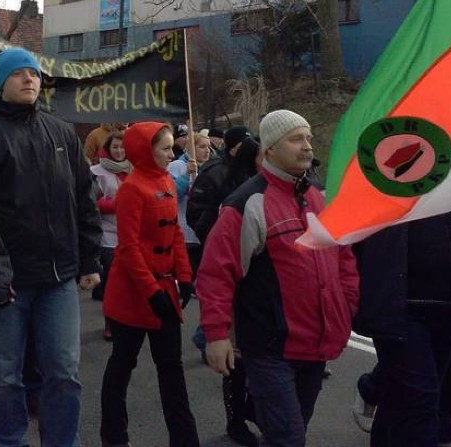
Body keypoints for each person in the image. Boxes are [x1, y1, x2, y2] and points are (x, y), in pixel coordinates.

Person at [0, 46, 102, 447]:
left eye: (34, 73)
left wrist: (89, 256)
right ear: (1, 81)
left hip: (58, 277)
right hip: (9, 281)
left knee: (63, 371)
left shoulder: (60, 132)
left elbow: (83, 197)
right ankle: (9, 440)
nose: (29, 79)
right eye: (19, 72)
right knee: (6, 373)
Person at [197, 110, 359, 447]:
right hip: (270, 349)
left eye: (309, 138)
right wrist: (216, 334)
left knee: (289, 432)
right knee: (289, 438)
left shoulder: (317, 195)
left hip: (315, 346)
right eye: (296, 139)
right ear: (270, 148)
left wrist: (346, 303)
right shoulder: (247, 203)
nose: (307, 146)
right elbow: (216, 273)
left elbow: (342, 256)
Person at [352, 203, 451, 446]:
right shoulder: (377, 164)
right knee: (419, 400)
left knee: (415, 397)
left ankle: (376, 391)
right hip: (398, 302)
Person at [99, 122, 199, 447]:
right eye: (166, 148)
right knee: (122, 366)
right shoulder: (132, 189)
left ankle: (185, 440)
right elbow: (127, 248)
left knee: (172, 370)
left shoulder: (167, 180)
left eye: (172, 147)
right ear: (146, 150)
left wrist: (184, 277)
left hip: (164, 291)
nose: (173, 153)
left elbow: (175, 236)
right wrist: (151, 291)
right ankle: (114, 437)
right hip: (132, 297)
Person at [188, 135, 262, 446]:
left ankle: (256, 408)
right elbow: (199, 216)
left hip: (269, 292)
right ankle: (236, 419)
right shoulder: (230, 187)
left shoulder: (290, 189)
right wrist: (216, 239)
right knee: (239, 360)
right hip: (238, 283)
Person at [90, 132, 132, 339]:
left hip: (131, 233)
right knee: (113, 281)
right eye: (115, 147)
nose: (119, 151)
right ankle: (110, 322)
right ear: (108, 148)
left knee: (129, 281)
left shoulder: (135, 169)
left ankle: (126, 320)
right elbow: (90, 203)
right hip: (108, 233)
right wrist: (115, 204)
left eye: (123, 147)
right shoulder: (97, 172)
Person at [169, 131, 212, 277]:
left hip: (200, 228)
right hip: (183, 228)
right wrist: (187, 175)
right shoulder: (177, 166)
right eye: (202, 146)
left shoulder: (208, 169)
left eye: (209, 147)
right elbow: (173, 194)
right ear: (190, 148)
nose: (207, 150)